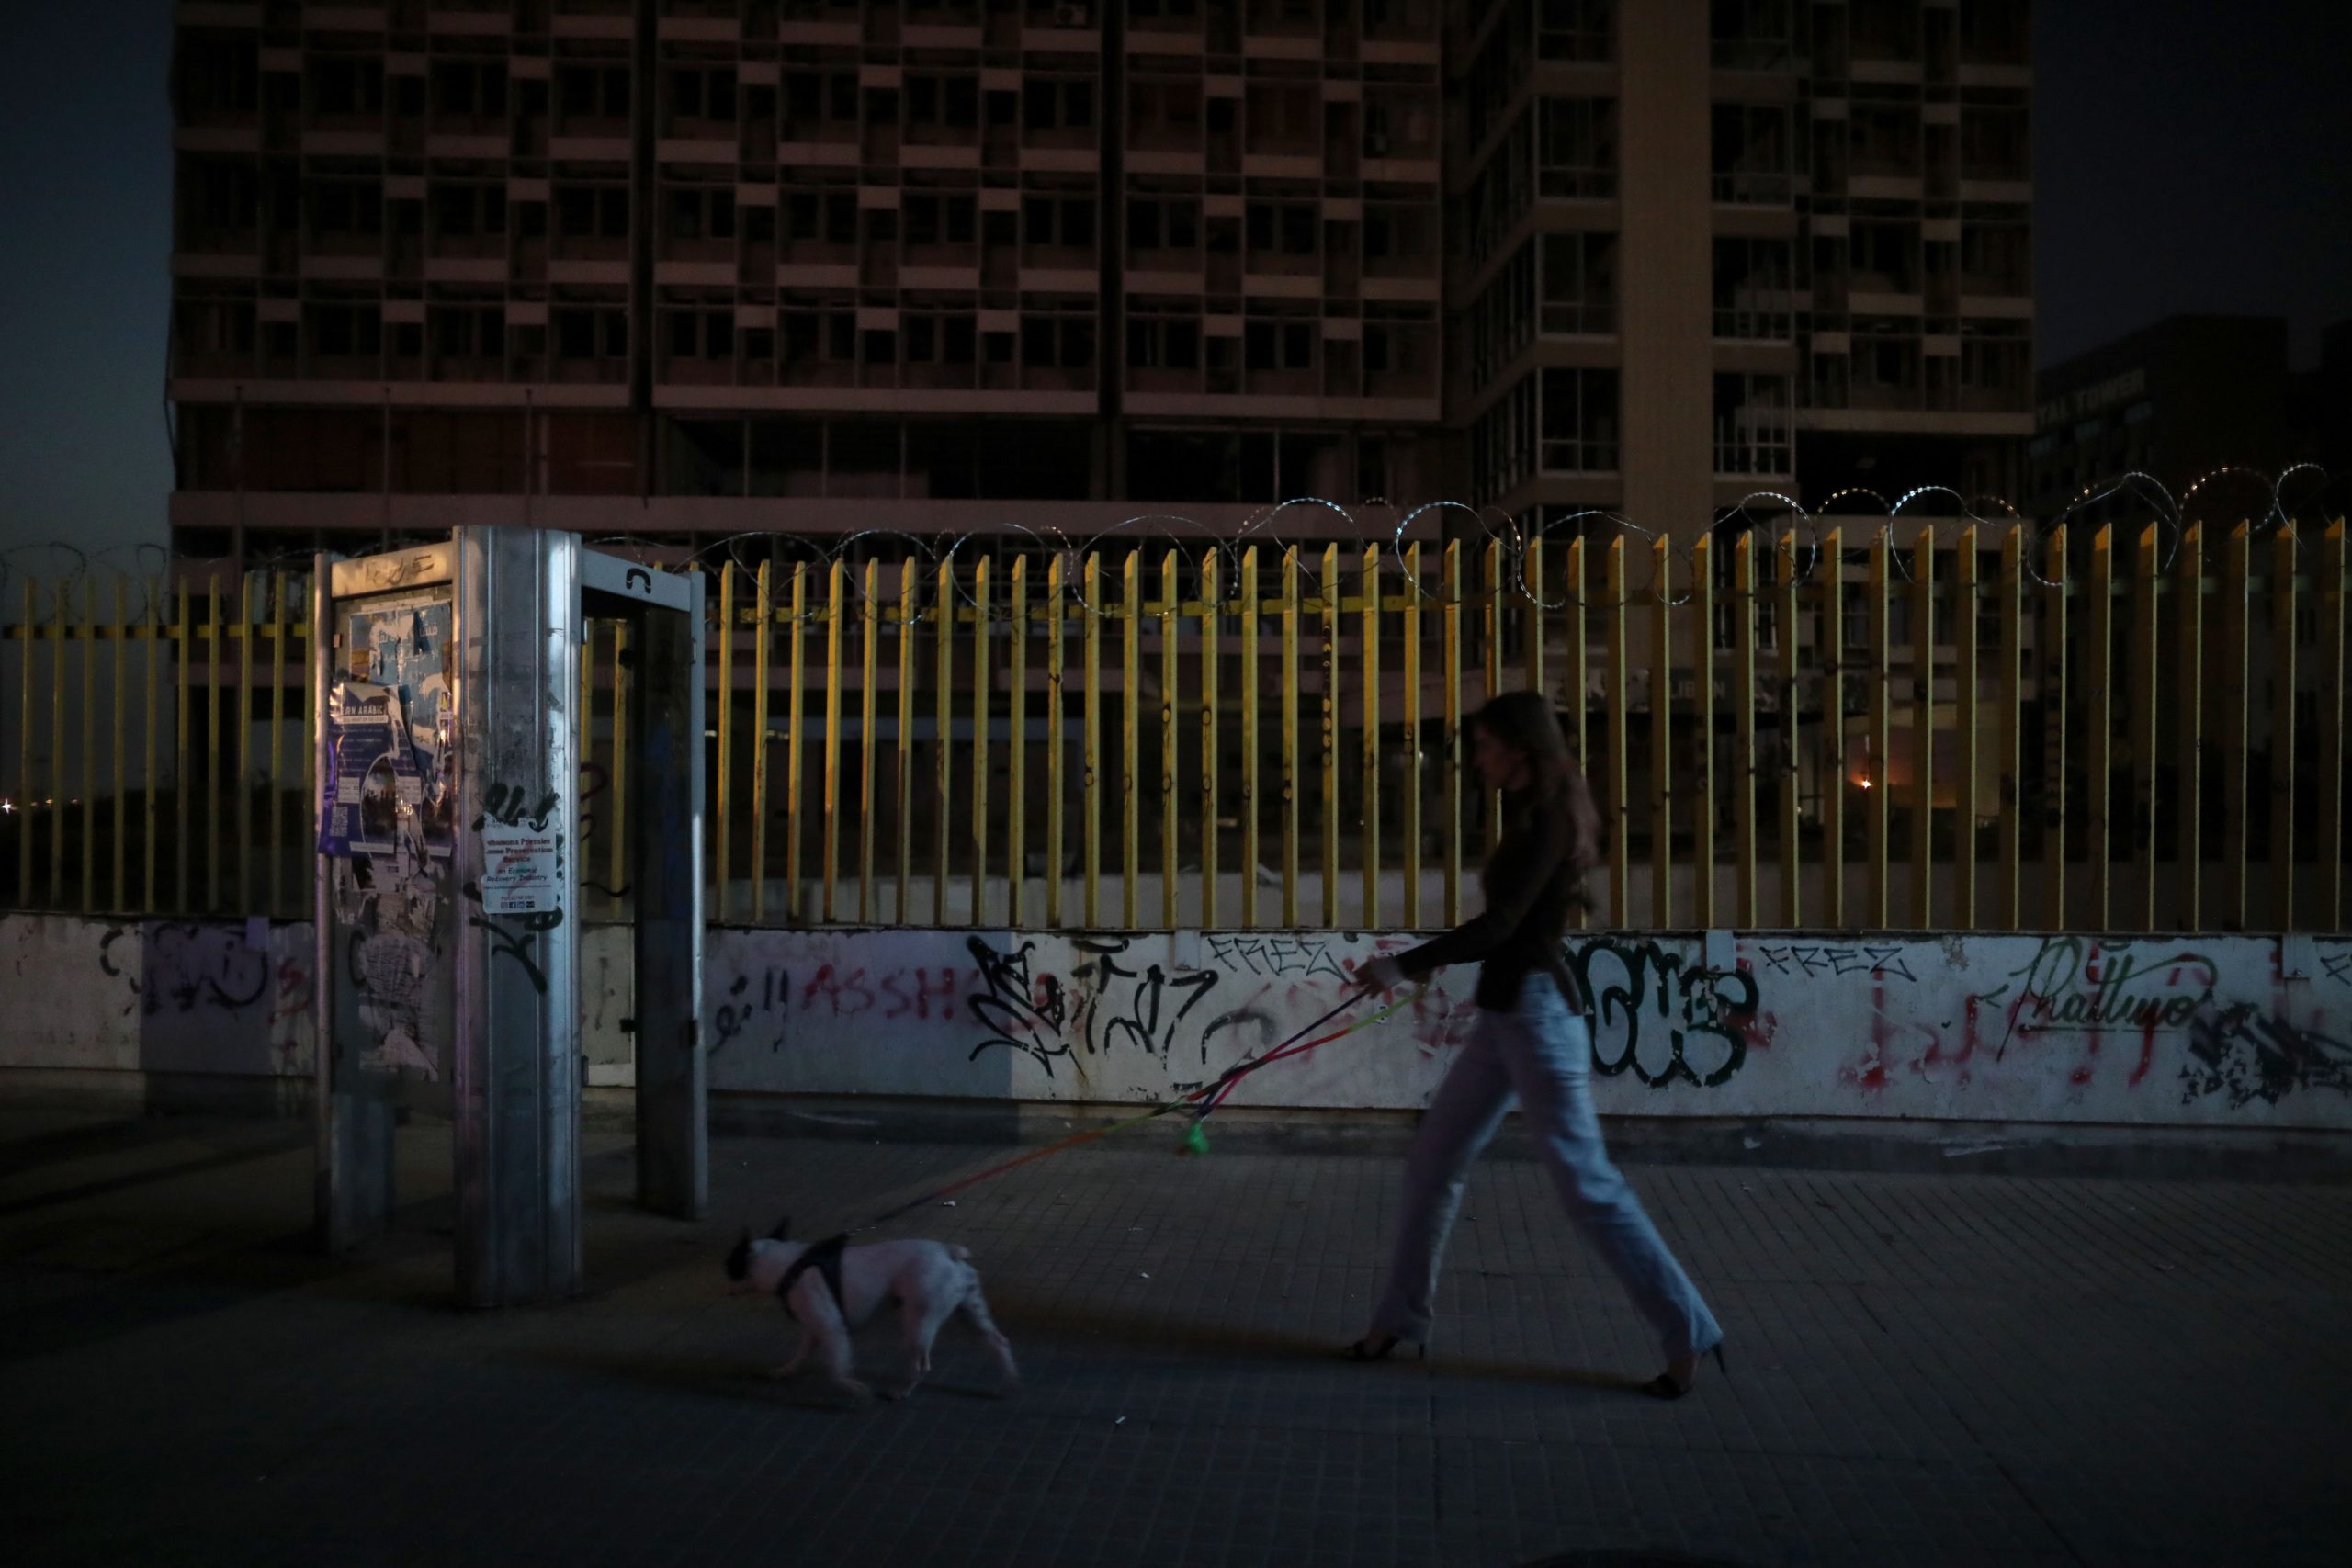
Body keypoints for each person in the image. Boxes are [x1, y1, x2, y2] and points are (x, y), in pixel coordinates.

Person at [1346, 690, 1726, 1399]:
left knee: (1586, 1185)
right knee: (1431, 1165)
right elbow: (1505, 930)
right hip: (1505, 1016)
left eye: (1487, 745)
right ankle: (1397, 1321)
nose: (1479, 758)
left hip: (1539, 1016)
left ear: (1518, 746)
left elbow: (1503, 924)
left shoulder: (1548, 818)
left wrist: (1404, 963)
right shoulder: (1529, 813)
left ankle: (1689, 1331)